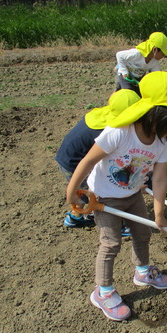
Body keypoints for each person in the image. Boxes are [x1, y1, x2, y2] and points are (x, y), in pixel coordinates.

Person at [66, 71, 167, 321]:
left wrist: (160, 211)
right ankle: (103, 291)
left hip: (133, 194)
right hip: (104, 199)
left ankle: (142, 272)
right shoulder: (119, 132)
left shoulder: (162, 141)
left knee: (142, 234)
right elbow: (88, 161)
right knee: (111, 243)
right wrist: (72, 192)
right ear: (160, 114)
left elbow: (160, 178)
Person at [56, 89, 140, 231]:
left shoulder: (98, 114)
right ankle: (115, 226)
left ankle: (77, 217)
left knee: (85, 192)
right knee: (102, 189)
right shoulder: (108, 130)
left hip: (67, 157)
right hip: (75, 163)